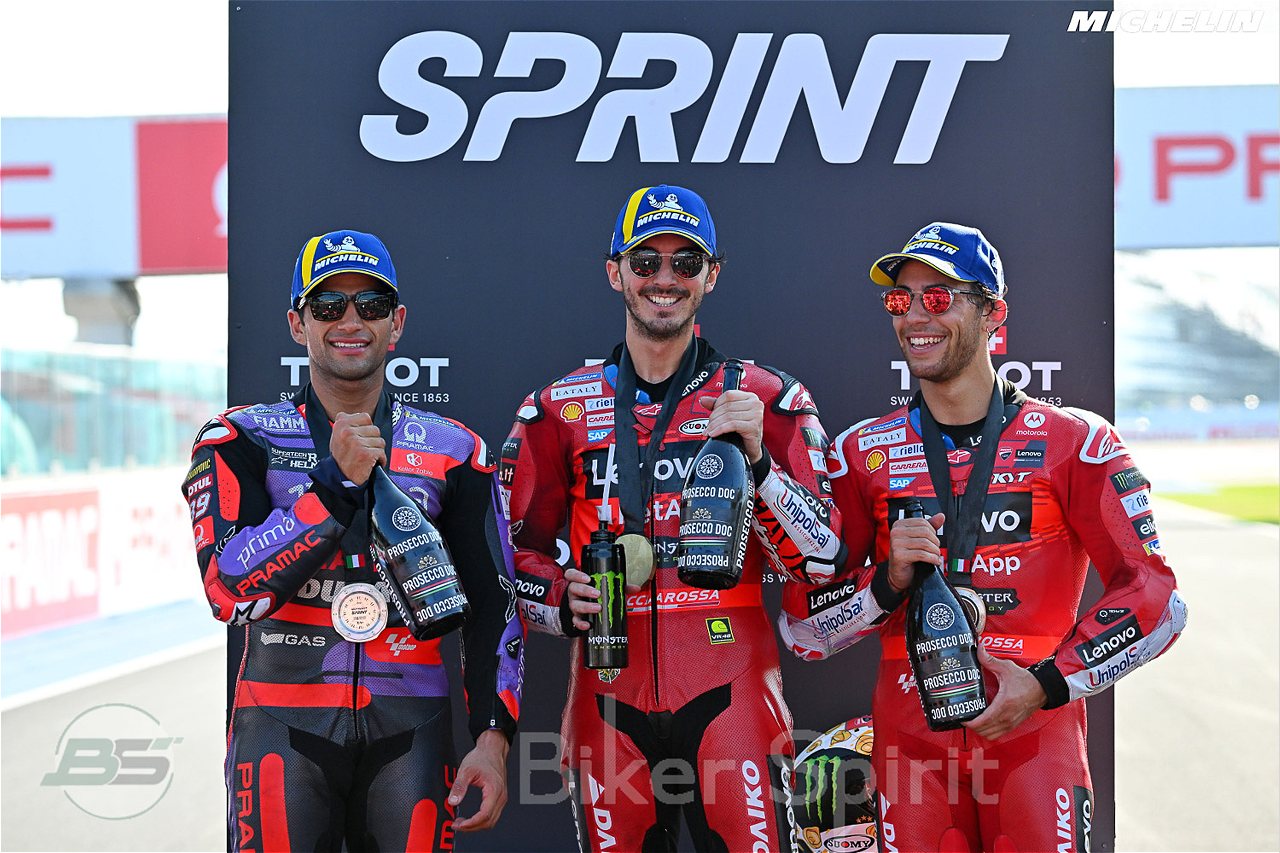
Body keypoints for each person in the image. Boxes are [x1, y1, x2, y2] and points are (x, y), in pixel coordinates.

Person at [778, 222, 1188, 852]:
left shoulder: (1075, 442)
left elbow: (1158, 599)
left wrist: (1047, 683)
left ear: (993, 313)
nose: (916, 315)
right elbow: (803, 629)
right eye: (901, 299)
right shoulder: (861, 452)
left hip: (1035, 737)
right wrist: (885, 586)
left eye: (938, 297)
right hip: (912, 745)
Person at [502, 184, 845, 851]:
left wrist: (760, 467)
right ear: (615, 272)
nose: (665, 278)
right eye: (645, 261)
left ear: (711, 275)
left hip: (733, 689)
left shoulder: (767, 398)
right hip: (607, 690)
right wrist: (558, 598)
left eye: (685, 263)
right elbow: (511, 558)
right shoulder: (557, 409)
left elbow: (823, 559)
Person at [183, 229, 523, 851]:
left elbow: (493, 604)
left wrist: (492, 737)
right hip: (280, 724)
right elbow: (228, 591)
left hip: (411, 729)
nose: (350, 321)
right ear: (297, 324)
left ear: (397, 323)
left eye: (370, 305)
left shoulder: (455, 451)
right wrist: (333, 488)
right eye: (327, 305)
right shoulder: (241, 438)